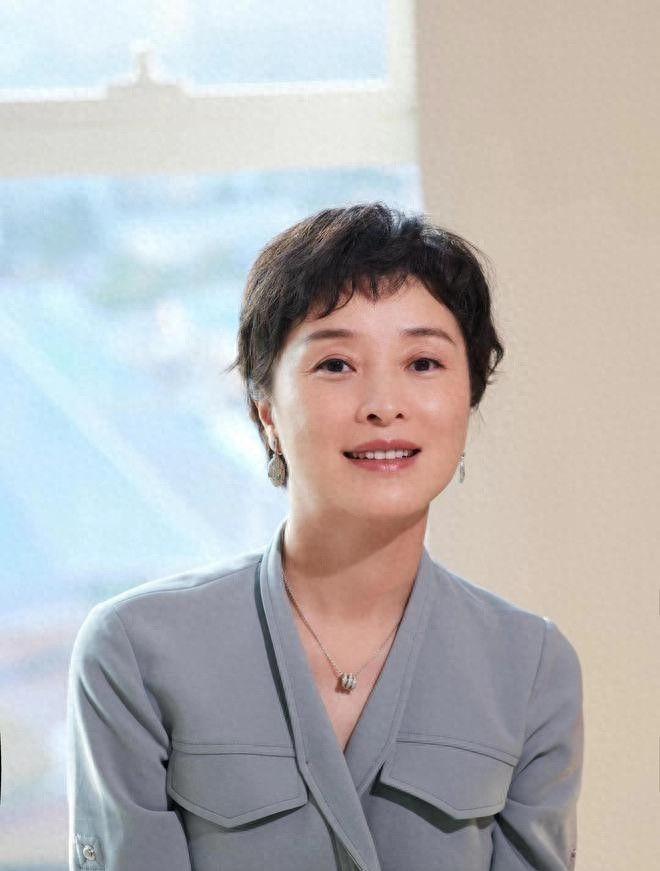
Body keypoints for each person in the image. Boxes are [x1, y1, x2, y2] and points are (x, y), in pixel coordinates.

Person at [66, 202, 583, 870]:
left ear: (468, 398)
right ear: (266, 410)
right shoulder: (134, 652)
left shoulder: (531, 667)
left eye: (424, 362)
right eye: (336, 364)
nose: (384, 405)